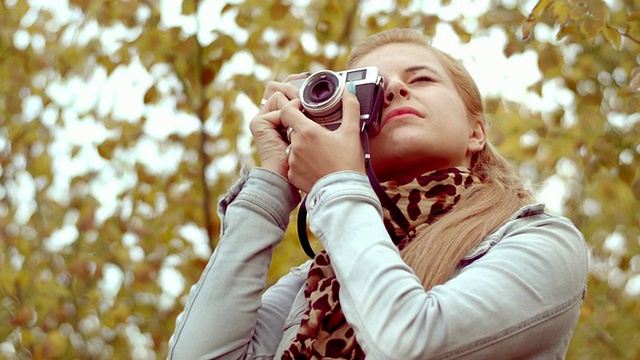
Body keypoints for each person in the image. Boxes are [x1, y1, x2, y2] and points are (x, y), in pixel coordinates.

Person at [168, 28, 588, 359]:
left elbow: (409, 344)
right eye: (370, 87)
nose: (394, 90)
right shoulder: (314, 283)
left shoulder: (541, 241)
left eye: (422, 78)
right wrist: (272, 183)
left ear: (475, 132)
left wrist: (337, 183)